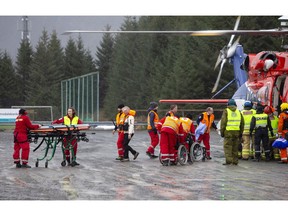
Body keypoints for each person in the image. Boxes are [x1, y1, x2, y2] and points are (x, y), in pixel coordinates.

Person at [220, 99, 244, 165]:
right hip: (236, 132)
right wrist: (241, 133)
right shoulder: (239, 112)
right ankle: (235, 161)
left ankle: (229, 161)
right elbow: (242, 123)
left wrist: (222, 132)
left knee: (228, 147)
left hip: (228, 133)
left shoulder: (226, 111)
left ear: (228, 105)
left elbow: (223, 123)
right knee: (235, 147)